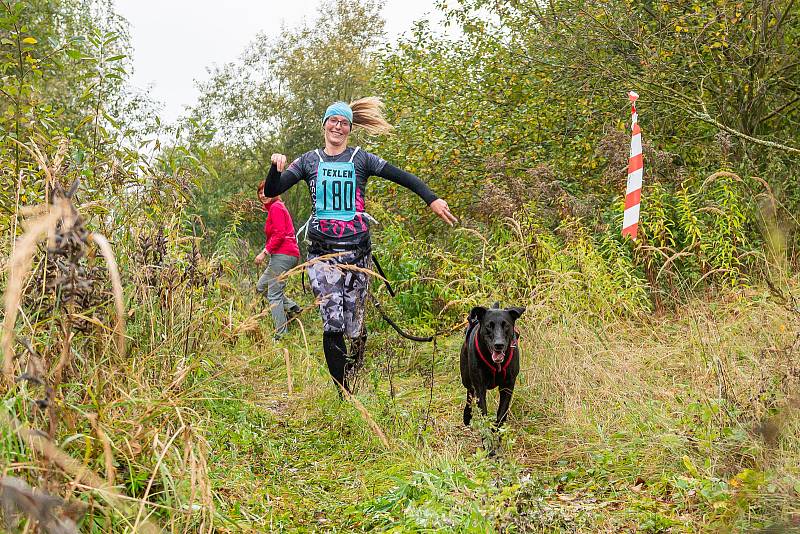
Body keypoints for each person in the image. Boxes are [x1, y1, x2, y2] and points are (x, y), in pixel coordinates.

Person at [264, 97, 457, 395]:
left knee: (353, 326)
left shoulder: (361, 159)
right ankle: (344, 393)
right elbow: (274, 189)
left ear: (350, 129)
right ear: (324, 125)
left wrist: (431, 198)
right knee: (333, 322)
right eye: (333, 121)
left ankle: (355, 357)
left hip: (357, 252)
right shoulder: (309, 161)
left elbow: (402, 177)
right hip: (322, 254)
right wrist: (275, 167)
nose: (338, 127)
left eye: (343, 123)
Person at [255, 181, 302, 340]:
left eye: (265, 192)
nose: (262, 195)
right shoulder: (274, 208)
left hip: (284, 255)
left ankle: (281, 336)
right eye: (260, 193)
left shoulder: (276, 207)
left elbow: (280, 234)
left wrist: (264, 252)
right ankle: (291, 306)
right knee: (261, 287)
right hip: (282, 255)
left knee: (274, 295)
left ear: (274, 191)